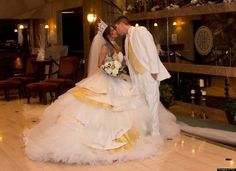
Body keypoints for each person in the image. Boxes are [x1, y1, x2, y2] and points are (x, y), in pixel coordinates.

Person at [23, 20, 179, 165]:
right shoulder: (105, 46)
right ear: (108, 33)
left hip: (120, 78)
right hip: (107, 78)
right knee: (104, 107)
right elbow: (100, 63)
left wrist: (121, 68)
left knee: (128, 105)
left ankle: (145, 131)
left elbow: (126, 60)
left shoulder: (119, 45)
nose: (115, 31)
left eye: (115, 29)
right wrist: (112, 70)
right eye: (113, 30)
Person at [113, 16, 171, 136]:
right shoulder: (126, 39)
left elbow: (151, 50)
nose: (116, 31)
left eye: (116, 27)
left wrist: (154, 71)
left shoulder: (141, 31)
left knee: (152, 102)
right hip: (136, 76)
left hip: (148, 73)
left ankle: (155, 133)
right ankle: (145, 130)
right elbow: (129, 59)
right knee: (142, 103)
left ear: (121, 24)